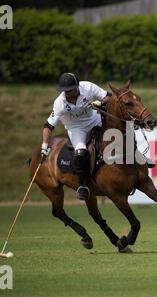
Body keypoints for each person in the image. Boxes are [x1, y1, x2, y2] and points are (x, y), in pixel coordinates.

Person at [41, 73, 110, 201]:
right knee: (80, 152)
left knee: (119, 129)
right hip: (76, 128)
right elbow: (48, 125)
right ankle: (83, 185)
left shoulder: (88, 87)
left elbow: (109, 97)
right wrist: (45, 145)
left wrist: (99, 103)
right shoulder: (59, 103)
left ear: (78, 87)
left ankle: (140, 157)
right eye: (64, 91)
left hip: (95, 119)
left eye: (70, 90)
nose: (66, 93)